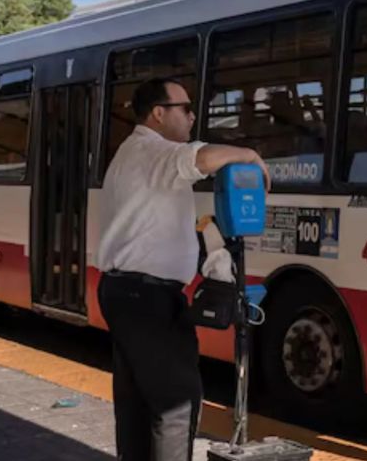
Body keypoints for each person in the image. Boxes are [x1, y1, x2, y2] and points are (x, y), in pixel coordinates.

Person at [96, 77, 270, 461]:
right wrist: (247, 155)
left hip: (128, 292)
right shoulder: (151, 151)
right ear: (159, 114)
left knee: (138, 404)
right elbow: (200, 158)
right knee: (177, 404)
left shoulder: (135, 154)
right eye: (185, 108)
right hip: (146, 297)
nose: (193, 117)